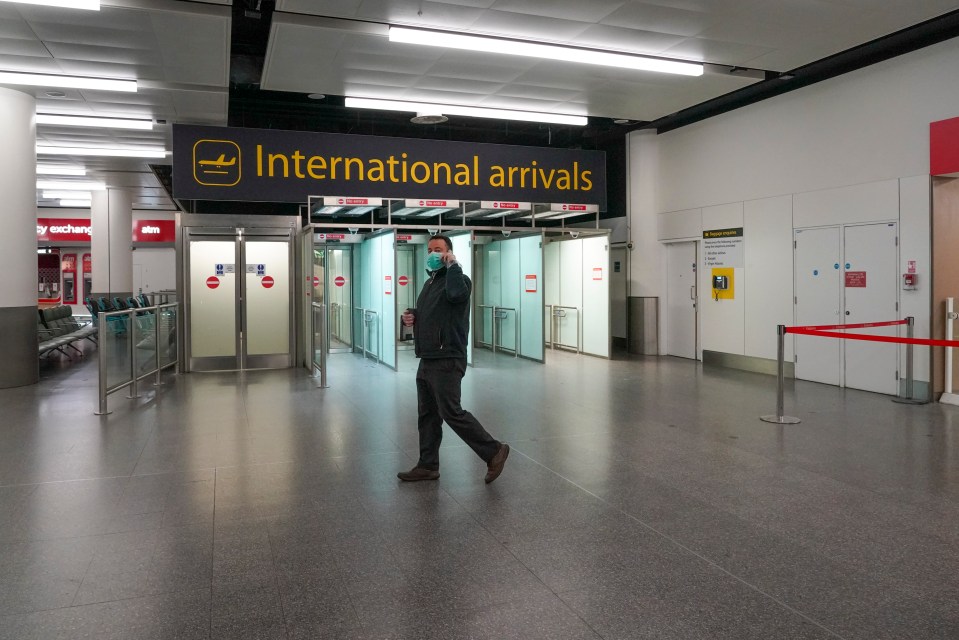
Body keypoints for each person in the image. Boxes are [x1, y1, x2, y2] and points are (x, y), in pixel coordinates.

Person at [397, 234, 509, 484]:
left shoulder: (459, 280)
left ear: (449, 253)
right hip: (427, 357)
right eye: (430, 249)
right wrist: (412, 315)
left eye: (438, 249)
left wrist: (454, 265)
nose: (432, 253)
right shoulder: (430, 283)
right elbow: (434, 313)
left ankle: (494, 450)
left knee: (452, 412)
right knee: (427, 415)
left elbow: (457, 296)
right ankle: (427, 465)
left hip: (448, 357)